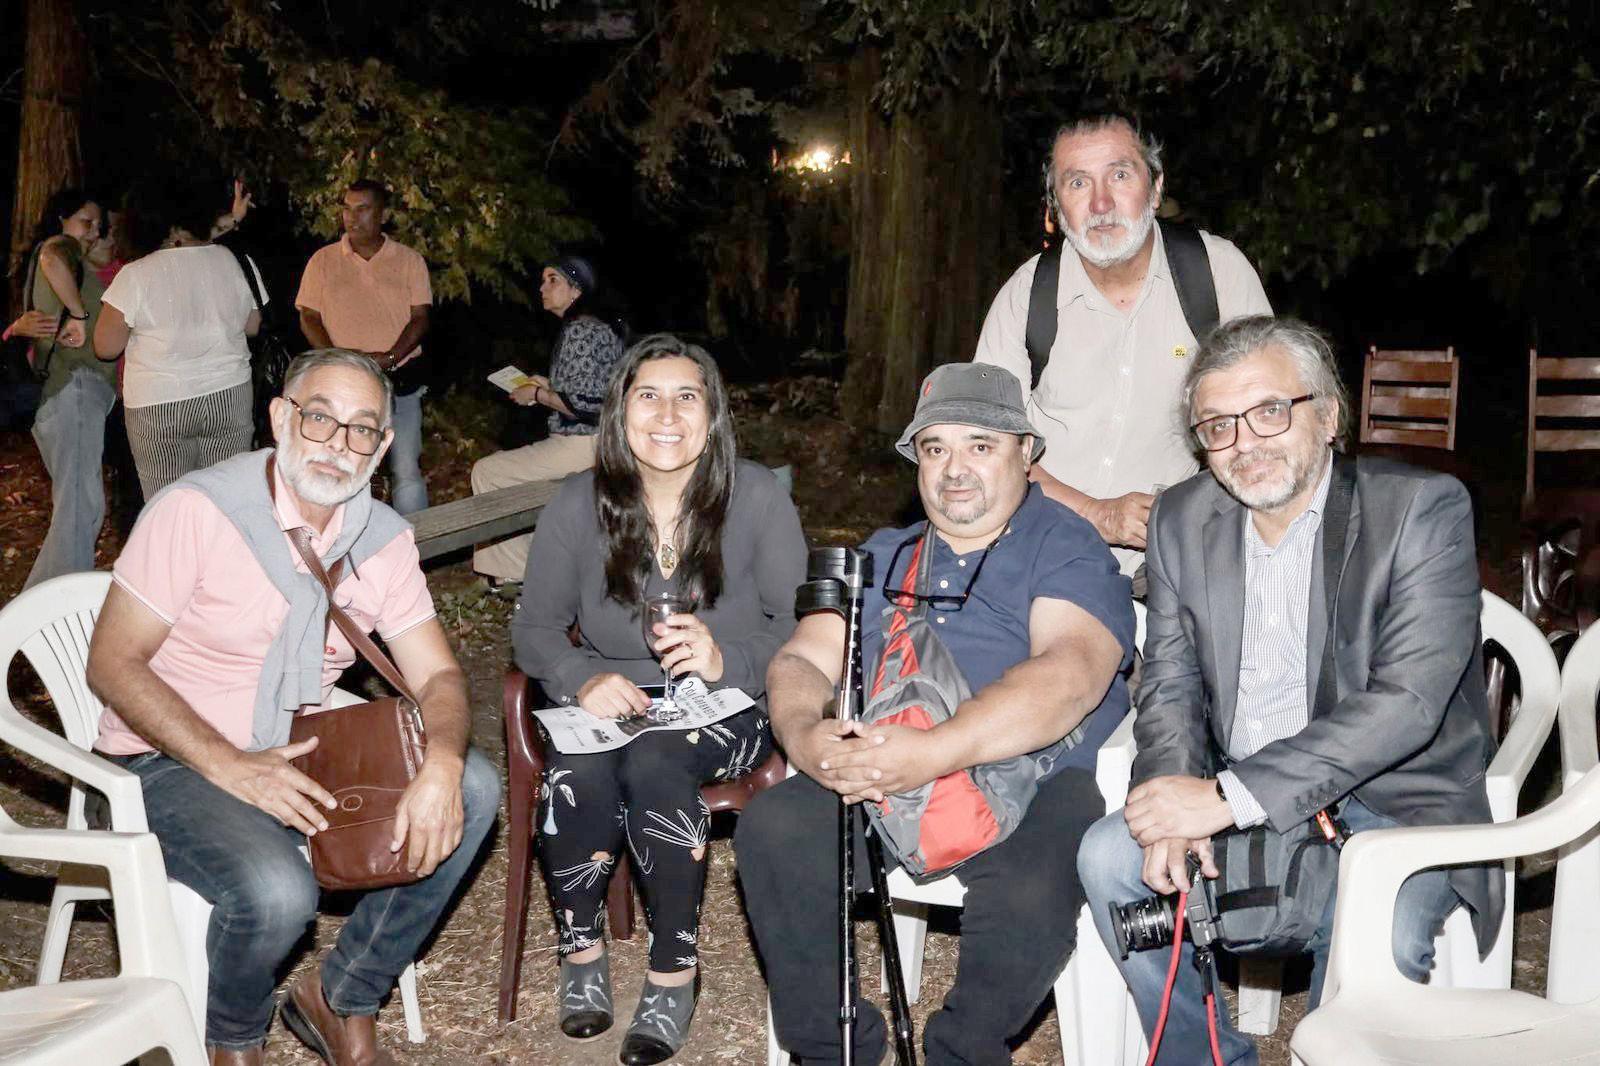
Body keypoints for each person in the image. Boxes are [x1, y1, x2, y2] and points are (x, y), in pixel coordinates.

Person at [1076, 315, 1502, 1066]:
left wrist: (1226, 799)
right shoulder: (1182, 518)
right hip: (1237, 786)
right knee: (1111, 860)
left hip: (1393, 796)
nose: (1245, 442)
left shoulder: (1420, 510)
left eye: (1270, 411)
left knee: (1379, 935)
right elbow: (1169, 683)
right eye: (1218, 425)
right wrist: (1171, 799)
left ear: (1328, 415)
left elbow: (1407, 705)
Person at [83, 349, 500, 1066]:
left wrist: (441, 764)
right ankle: (231, 1040)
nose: (338, 444)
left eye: (362, 429)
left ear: (383, 446)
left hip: (298, 749)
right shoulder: (198, 511)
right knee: (279, 891)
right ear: (280, 418)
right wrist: (230, 765)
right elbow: (112, 663)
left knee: (473, 786)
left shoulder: (383, 540)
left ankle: (342, 995)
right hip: (160, 761)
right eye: (319, 418)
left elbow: (438, 676)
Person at [737, 362, 1135, 1065]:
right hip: (889, 769)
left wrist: (934, 752)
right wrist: (806, 736)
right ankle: (835, 1048)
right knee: (775, 828)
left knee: (1029, 890)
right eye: (935, 448)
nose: (955, 469)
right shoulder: (882, 555)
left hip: (1033, 775)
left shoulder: (1064, 545)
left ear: (1027, 454)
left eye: (981, 445)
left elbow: (1069, 675)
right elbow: (801, 659)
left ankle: (963, 1050)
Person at [512, 333, 805, 1065]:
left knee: (655, 760)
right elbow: (534, 628)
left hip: (730, 700)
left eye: (686, 397)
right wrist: (580, 677)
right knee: (577, 771)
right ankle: (581, 955)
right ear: (620, 411)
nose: (667, 414)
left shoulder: (756, 497)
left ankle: (673, 971)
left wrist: (728, 658)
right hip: (610, 694)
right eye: (648, 395)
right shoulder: (578, 503)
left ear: (713, 414)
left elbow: (804, 625)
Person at [973, 113, 1273, 578]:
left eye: (1119, 175)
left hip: (1178, 567)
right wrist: (1099, 514)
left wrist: (1197, 514)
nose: (1100, 203)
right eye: (1077, 183)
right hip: (1037, 555)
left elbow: (1268, 419)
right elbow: (984, 443)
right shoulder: (1027, 296)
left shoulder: (1216, 275)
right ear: (1056, 206)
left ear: (1155, 189)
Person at [93, 185, 266, 497]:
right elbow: (252, 325)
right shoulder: (236, 261)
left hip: (159, 403)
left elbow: (105, 347)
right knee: (225, 499)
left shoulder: (135, 275)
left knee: (168, 504)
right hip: (228, 396)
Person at [472, 255, 626, 588]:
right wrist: (546, 384)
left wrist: (538, 395)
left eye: (553, 280)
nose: (542, 287)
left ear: (576, 290)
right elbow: (591, 389)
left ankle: (515, 572)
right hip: (603, 440)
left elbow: (585, 406)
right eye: (543, 280)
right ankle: (535, 564)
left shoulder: (580, 330)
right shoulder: (597, 326)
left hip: (585, 443)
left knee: (488, 471)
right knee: (509, 470)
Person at [295, 179, 433, 515]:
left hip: (400, 379)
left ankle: (416, 541)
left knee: (406, 470)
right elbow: (309, 317)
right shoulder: (323, 261)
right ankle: (343, 541)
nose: (352, 217)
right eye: (346, 208)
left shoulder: (409, 260)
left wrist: (389, 358)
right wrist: (339, 360)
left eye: (362, 209)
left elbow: (420, 318)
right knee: (345, 466)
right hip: (344, 385)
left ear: (383, 215)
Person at [19, 188, 118, 589]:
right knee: (79, 509)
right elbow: (51, 257)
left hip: (72, 396)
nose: (93, 232)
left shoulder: (78, 262)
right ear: (62, 219)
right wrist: (79, 314)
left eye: (98, 225)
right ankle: (47, 609)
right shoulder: (62, 246)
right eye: (85, 221)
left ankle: (42, 608)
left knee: (81, 508)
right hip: (73, 389)